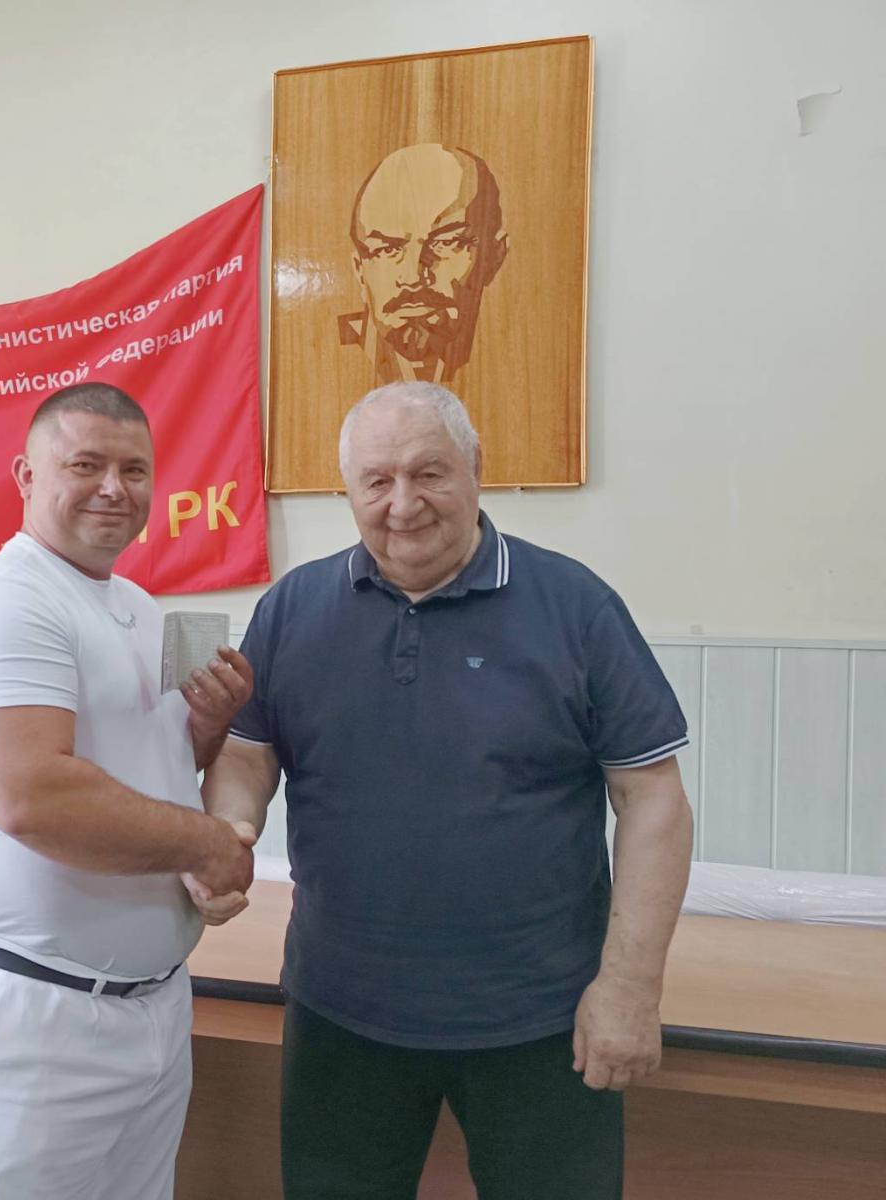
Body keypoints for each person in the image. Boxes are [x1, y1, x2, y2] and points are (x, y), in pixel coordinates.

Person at [199, 381, 693, 1199]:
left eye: (428, 473)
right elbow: (250, 756)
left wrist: (631, 987)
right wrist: (228, 833)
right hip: (340, 1014)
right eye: (377, 481)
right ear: (347, 491)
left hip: (541, 1020)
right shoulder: (291, 608)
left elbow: (652, 798)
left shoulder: (576, 607)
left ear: (474, 469)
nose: (403, 504)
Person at [0, 382, 255, 1199]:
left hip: (152, 1008)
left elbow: (151, 772)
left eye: (134, 470)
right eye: (86, 465)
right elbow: (35, 797)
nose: (114, 488)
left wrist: (208, 726)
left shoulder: (137, 605)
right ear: (26, 476)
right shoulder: (5, 602)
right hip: (37, 1020)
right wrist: (211, 844)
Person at [337, 144, 509, 384]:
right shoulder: (329, 360)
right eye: (388, 250)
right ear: (359, 270)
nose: (413, 277)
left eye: (445, 243)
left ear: (494, 256)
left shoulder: (514, 359)